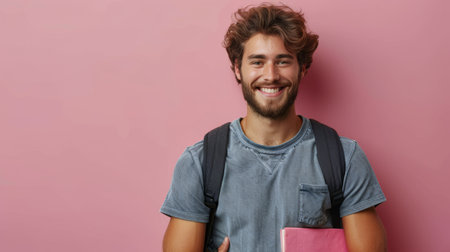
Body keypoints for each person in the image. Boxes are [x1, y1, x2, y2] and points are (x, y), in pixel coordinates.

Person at [161, 3, 387, 252]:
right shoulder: (198, 163)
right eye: (257, 62)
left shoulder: (345, 158)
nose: (270, 75)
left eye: (282, 61)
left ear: (302, 68)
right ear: (238, 69)